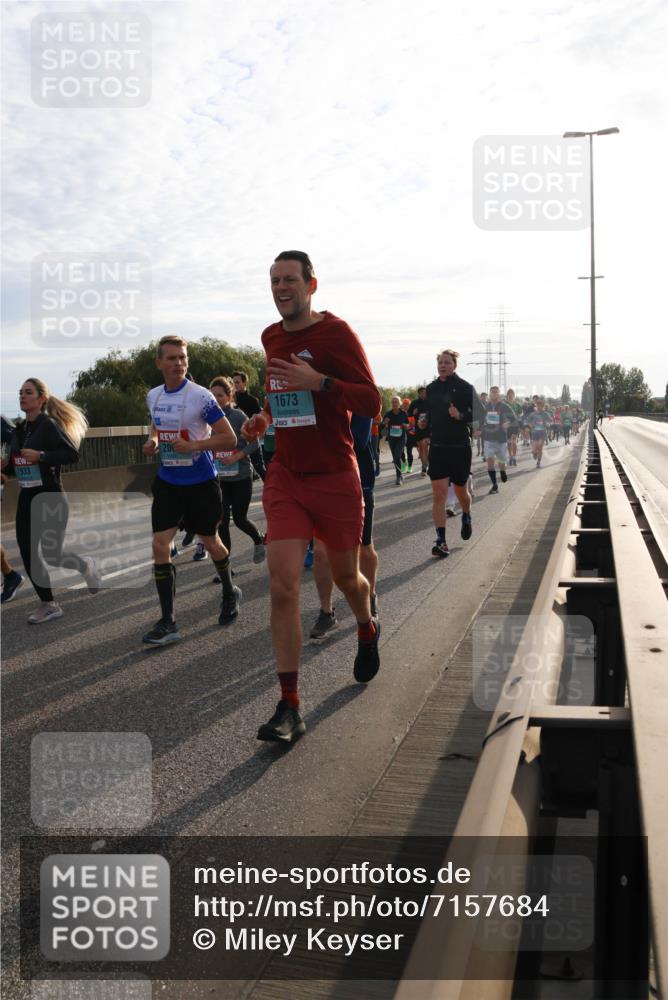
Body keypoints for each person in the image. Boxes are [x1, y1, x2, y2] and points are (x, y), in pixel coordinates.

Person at [241, 250, 382, 744]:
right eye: (274, 280)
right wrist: (264, 417)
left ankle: (366, 626)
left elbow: (371, 400)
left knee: (347, 577)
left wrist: (321, 382)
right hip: (286, 475)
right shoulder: (271, 337)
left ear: (311, 285)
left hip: (334, 476)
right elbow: (281, 394)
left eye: (290, 280)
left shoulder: (336, 334)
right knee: (282, 585)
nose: (281, 288)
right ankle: (289, 706)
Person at [141, 335, 237, 645]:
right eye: (171, 358)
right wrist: (154, 441)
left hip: (200, 482)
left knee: (211, 542)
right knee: (159, 545)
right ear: (159, 363)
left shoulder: (201, 397)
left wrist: (194, 444)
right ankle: (168, 621)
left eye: (182, 358)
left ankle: (228, 589)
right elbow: (157, 424)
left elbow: (229, 438)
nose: (178, 363)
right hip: (169, 481)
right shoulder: (153, 396)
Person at [5, 379, 101, 623]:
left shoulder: (49, 426)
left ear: (41, 399)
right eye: (20, 392)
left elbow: (72, 454)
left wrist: (42, 456)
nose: (22, 396)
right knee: (27, 551)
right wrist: (6, 466)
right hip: (27, 497)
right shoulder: (19, 430)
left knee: (52, 554)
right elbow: (20, 466)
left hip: (51, 498)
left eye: (28, 392)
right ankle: (49, 604)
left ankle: (85, 565)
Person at [310, 413, 380, 640]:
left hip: (358, 484)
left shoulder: (355, 396)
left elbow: (356, 439)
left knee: (363, 548)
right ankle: (326, 612)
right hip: (320, 483)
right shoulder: (311, 395)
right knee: (321, 553)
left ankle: (370, 597)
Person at [418, 349, 484, 558]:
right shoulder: (431, 388)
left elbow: (481, 415)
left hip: (459, 448)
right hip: (438, 447)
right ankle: (441, 540)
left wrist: (461, 415)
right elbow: (429, 411)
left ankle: (466, 514)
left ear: (455, 365)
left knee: (461, 492)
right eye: (440, 362)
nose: (443, 365)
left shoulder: (465, 388)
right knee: (438, 495)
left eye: (447, 362)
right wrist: (425, 420)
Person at [208, 376, 266, 567]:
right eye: (212, 395)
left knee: (240, 519)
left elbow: (254, 443)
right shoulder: (206, 419)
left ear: (229, 395)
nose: (216, 399)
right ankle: (226, 566)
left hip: (240, 476)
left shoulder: (238, 416)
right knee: (222, 521)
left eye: (220, 395)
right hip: (220, 478)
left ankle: (258, 540)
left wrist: (235, 456)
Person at [232, 371, 267, 481]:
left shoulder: (252, 401)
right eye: (233, 383)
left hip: (250, 440)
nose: (235, 385)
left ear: (244, 383)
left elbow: (260, 422)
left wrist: (252, 434)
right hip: (235, 441)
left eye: (237, 382)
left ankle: (274, 489)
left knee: (259, 467)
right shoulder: (230, 400)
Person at [482, 386, 513, 494]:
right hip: (489, 439)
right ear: (490, 394)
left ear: (499, 394)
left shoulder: (504, 406)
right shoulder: (485, 407)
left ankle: (503, 471)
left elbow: (513, 418)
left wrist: (507, 423)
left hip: (501, 439)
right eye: (492, 392)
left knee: (502, 462)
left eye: (496, 392)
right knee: (490, 462)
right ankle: (494, 485)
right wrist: (478, 429)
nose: (494, 394)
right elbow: (480, 419)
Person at [383, 396, 409, 485]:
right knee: (395, 457)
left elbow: (409, 425)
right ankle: (399, 475)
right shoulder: (388, 414)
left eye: (396, 402)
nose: (394, 404)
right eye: (393, 402)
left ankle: (399, 477)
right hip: (392, 438)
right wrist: (385, 423)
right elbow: (383, 426)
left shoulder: (403, 413)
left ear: (399, 403)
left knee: (397, 455)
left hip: (401, 437)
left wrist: (406, 425)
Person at [408, 387, 430, 476]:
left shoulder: (430, 402)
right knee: (421, 447)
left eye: (424, 392)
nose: (423, 394)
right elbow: (409, 416)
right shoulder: (414, 403)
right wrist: (413, 413)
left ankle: (425, 466)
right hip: (418, 429)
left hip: (428, 428)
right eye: (421, 393)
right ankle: (424, 464)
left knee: (424, 444)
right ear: (419, 394)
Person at [528, 398, 549, 468]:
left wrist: (548, 424)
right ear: (536, 406)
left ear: (543, 406)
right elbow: (528, 421)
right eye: (538, 405)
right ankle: (534, 453)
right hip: (534, 433)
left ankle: (538, 462)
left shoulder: (545, 414)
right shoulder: (533, 414)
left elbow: (550, 420)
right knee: (534, 450)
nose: (539, 406)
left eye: (541, 405)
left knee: (540, 446)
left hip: (542, 433)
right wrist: (530, 424)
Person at [505, 388, 521, 466]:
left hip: (515, 425)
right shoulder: (504, 404)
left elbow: (521, 413)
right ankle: (510, 456)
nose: (510, 396)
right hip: (507, 426)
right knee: (509, 443)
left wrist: (517, 415)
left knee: (514, 442)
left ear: (514, 396)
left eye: (512, 395)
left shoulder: (517, 404)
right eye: (509, 395)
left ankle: (514, 457)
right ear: (507, 396)